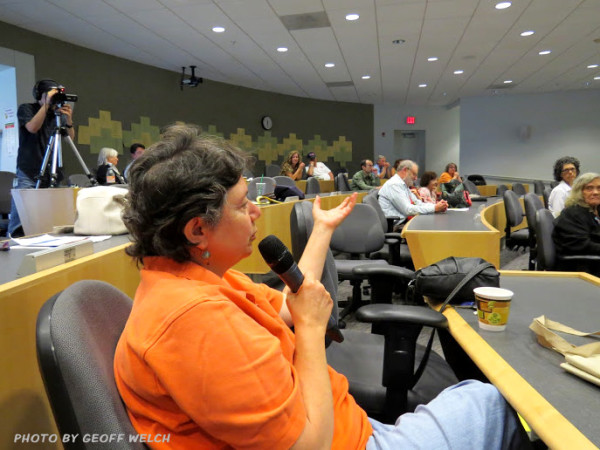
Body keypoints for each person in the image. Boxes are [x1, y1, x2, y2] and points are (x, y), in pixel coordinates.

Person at [113, 125, 528, 449]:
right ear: (197, 229)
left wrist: (322, 232)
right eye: (242, 205)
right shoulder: (196, 322)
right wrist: (311, 330)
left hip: (348, 424)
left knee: (479, 397)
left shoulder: (198, 282)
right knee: (492, 403)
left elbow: (291, 303)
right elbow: (311, 444)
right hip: (351, 442)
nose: (258, 210)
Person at [7, 79, 75, 237]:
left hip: (53, 171)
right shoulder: (27, 108)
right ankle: (12, 244)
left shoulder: (57, 115)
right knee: (21, 220)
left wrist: (69, 120)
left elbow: (69, 138)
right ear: (40, 95)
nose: (54, 99)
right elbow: (32, 127)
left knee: (54, 219)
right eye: (51, 95)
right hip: (29, 171)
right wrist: (45, 106)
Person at [552, 172, 600, 276]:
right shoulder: (573, 213)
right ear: (579, 192)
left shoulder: (593, 209)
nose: (596, 192)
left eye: (599, 188)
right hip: (581, 267)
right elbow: (582, 245)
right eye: (589, 188)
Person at [379, 160, 448, 230]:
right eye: (414, 174)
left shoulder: (403, 185)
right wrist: (434, 208)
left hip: (406, 221)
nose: (415, 178)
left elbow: (417, 203)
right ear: (405, 170)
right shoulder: (394, 185)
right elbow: (408, 210)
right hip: (398, 225)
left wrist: (436, 206)